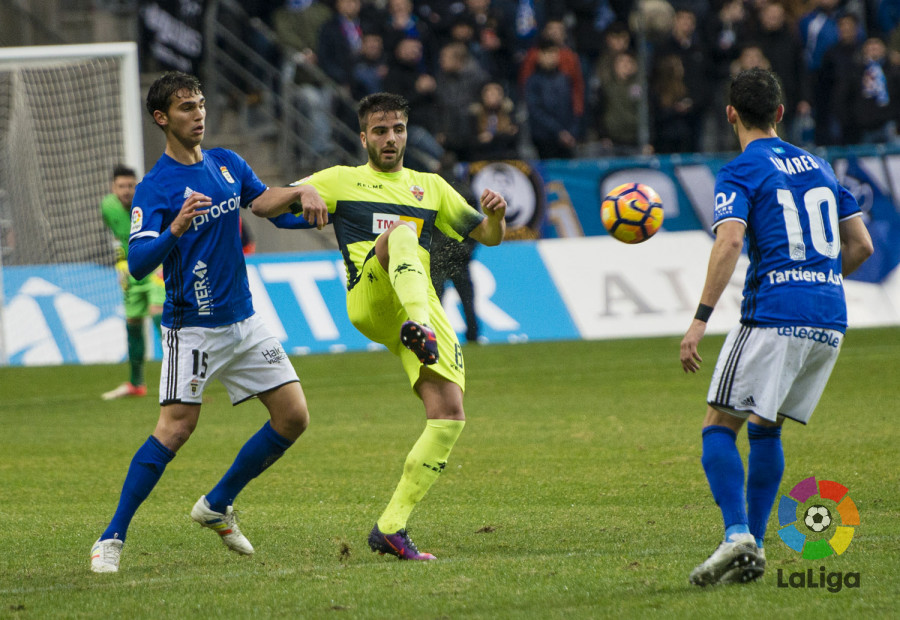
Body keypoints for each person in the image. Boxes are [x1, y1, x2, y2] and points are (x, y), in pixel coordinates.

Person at [89, 71, 328, 573]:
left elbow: (265, 207)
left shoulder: (227, 163)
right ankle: (111, 537)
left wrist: (308, 196)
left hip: (243, 320)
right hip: (191, 327)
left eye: (200, 104)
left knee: (294, 417)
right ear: (162, 118)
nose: (197, 114)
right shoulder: (155, 188)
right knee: (176, 429)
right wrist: (175, 225)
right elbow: (137, 263)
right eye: (185, 108)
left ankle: (217, 504)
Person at [264, 92, 506, 560]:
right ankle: (421, 328)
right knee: (400, 234)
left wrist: (496, 217)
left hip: (420, 302)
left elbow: (488, 239)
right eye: (380, 131)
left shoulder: (431, 186)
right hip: (373, 299)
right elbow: (262, 205)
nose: (390, 138)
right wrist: (302, 192)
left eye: (397, 129)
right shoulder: (339, 180)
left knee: (449, 414)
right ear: (363, 137)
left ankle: (391, 527)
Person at [679, 68, 873, 587]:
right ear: (782, 113)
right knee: (766, 427)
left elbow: (730, 242)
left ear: (730, 115)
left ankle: (738, 534)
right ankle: (755, 547)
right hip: (830, 318)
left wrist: (698, 320)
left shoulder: (740, 169)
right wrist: (817, 280)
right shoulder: (822, 166)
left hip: (774, 313)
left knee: (718, 423)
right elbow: (862, 246)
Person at [100, 165, 165, 400]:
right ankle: (136, 383)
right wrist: (121, 264)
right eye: (121, 186)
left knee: (159, 313)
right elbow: (119, 237)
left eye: (130, 185)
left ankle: (181, 376)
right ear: (113, 188)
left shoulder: (148, 202)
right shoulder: (107, 206)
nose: (126, 191)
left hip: (154, 264)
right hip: (129, 270)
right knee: (133, 321)